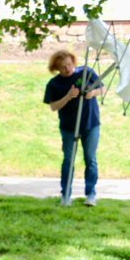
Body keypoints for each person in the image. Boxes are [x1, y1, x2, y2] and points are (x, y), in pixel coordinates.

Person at [44, 49, 103, 207]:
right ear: (57, 68)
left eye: (69, 64)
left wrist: (93, 93)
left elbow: (102, 89)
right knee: (68, 161)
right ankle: (66, 195)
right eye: (63, 67)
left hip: (91, 123)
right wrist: (68, 96)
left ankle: (91, 195)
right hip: (69, 127)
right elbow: (53, 106)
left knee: (90, 159)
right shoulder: (54, 84)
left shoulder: (86, 72)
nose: (68, 69)